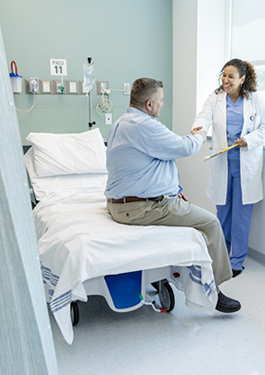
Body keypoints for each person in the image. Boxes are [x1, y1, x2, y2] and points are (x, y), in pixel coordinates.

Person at [105, 77, 241, 313]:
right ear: (149, 103)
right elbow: (184, 147)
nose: (161, 105)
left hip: (121, 204)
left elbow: (147, 164)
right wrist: (200, 134)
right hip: (143, 208)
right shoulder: (145, 126)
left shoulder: (121, 122)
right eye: (160, 101)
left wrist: (175, 190)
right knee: (211, 223)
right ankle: (214, 291)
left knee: (195, 214)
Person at [192, 58, 265, 277]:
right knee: (223, 211)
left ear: (242, 79)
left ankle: (237, 260)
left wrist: (248, 139)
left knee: (241, 214)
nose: (226, 80)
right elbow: (203, 118)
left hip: (246, 161)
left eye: (231, 76)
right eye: (224, 75)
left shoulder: (256, 100)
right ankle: (221, 255)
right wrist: (197, 131)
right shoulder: (215, 98)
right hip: (223, 160)